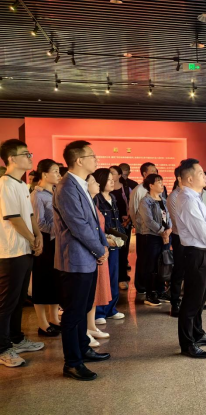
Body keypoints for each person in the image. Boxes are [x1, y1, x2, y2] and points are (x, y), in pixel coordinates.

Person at [53, 140, 110, 381]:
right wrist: (99, 249)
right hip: (75, 259)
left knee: (84, 306)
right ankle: (72, 363)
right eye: (92, 156)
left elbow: (94, 222)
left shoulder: (81, 184)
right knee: (73, 312)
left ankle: (83, 349)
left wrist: (102, 246)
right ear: (78, 160)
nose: (96, 160)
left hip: (87, 257)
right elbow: (78, 225)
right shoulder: (67, 187)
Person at [0, 139, 44, 368]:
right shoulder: (5, 184)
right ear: (11, 159)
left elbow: (30, 215)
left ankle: (16, 339)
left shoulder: (21, 185)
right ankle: (2, 348)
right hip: (10, 252)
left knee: (18, 299)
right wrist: (32, 238)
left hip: (24, 249)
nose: (30, 157)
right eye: (25, 154)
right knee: (6, 302)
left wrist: (38, 235)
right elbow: (14, 218)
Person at [175, 159, 206, 359]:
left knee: (200, 298)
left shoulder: (196, 196)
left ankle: (197, 333)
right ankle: (187, 343)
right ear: (189, 178)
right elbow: (200, 229)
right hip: (196, 253)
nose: (204, 176)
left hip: (205, 251)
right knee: (191, 301)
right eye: (200, 173)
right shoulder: (187, 200)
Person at [30, 159, 62, 337]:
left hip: (57, 243)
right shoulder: (37, 195)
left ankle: (54, 318)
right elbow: (38, 223)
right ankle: (42, 323)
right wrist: (60, 229)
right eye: (55, 171)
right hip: (44, 243)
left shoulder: (56, 192)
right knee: (42, 282)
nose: (58, 174)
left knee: (54, 281)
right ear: (44, 174)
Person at [93, 168, 125, 323]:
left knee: (113, 276)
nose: (113, 183)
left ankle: (111, 309)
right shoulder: (96, 199)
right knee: (102, 278)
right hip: (103, 243)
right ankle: (99, 312)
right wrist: (106, 239)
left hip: (115, 242)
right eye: (109, 180)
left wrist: (120, 237)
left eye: (113, 180)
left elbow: (116, 220)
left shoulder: (112, 197)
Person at [137, 174, 172, 306]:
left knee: (163, 263)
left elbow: (169, 217)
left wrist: (169, 230)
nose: (162, 184)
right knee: (151, 265)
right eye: (159, 182)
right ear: (151, 185)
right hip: (152, 237)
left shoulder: (163, 200)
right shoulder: (145, 201)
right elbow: (148, 220)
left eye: (162, 182)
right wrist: (162, 231)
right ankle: (150, 294)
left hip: (165, 236)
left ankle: (161, 291)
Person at [86, 174, 112, 346]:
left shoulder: (93, 202)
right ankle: (85, 330)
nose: (97, 184)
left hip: (100, 250)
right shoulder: (84, 202)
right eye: (93, 182)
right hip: (92, 252)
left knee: (95, 291)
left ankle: (91, 325)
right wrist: (99, 249)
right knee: (88, 293)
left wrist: (105, 245)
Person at [129, 162, 158, 294]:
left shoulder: (157, 189)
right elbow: (133, 210)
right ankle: (141, 286)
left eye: (156, 171)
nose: (155, 173)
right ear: (144, 174)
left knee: (153, 259)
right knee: (143, 258)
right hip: (143, 231)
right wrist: (138, 227)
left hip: (156, 231)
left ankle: (152, 285)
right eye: (152, 171)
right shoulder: (138, 190)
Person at [109, 165, 132, 290]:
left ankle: (122, 278)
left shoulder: (126, 188)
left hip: (124, 225)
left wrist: (128, 219)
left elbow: (132, 206)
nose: (110, 175)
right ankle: (111, 279)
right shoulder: (105, 189)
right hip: (110, 225)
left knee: (123, 251)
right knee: (111, 252)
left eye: (113, 173)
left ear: (119, 175)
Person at [167, 165, 185, 317]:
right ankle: (175, 302)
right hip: (180, 238)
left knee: (192, 271)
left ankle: (190, 300)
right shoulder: (174, 196)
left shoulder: (193, 195)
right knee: (179, 270)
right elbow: (179, 222)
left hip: (193, 239)